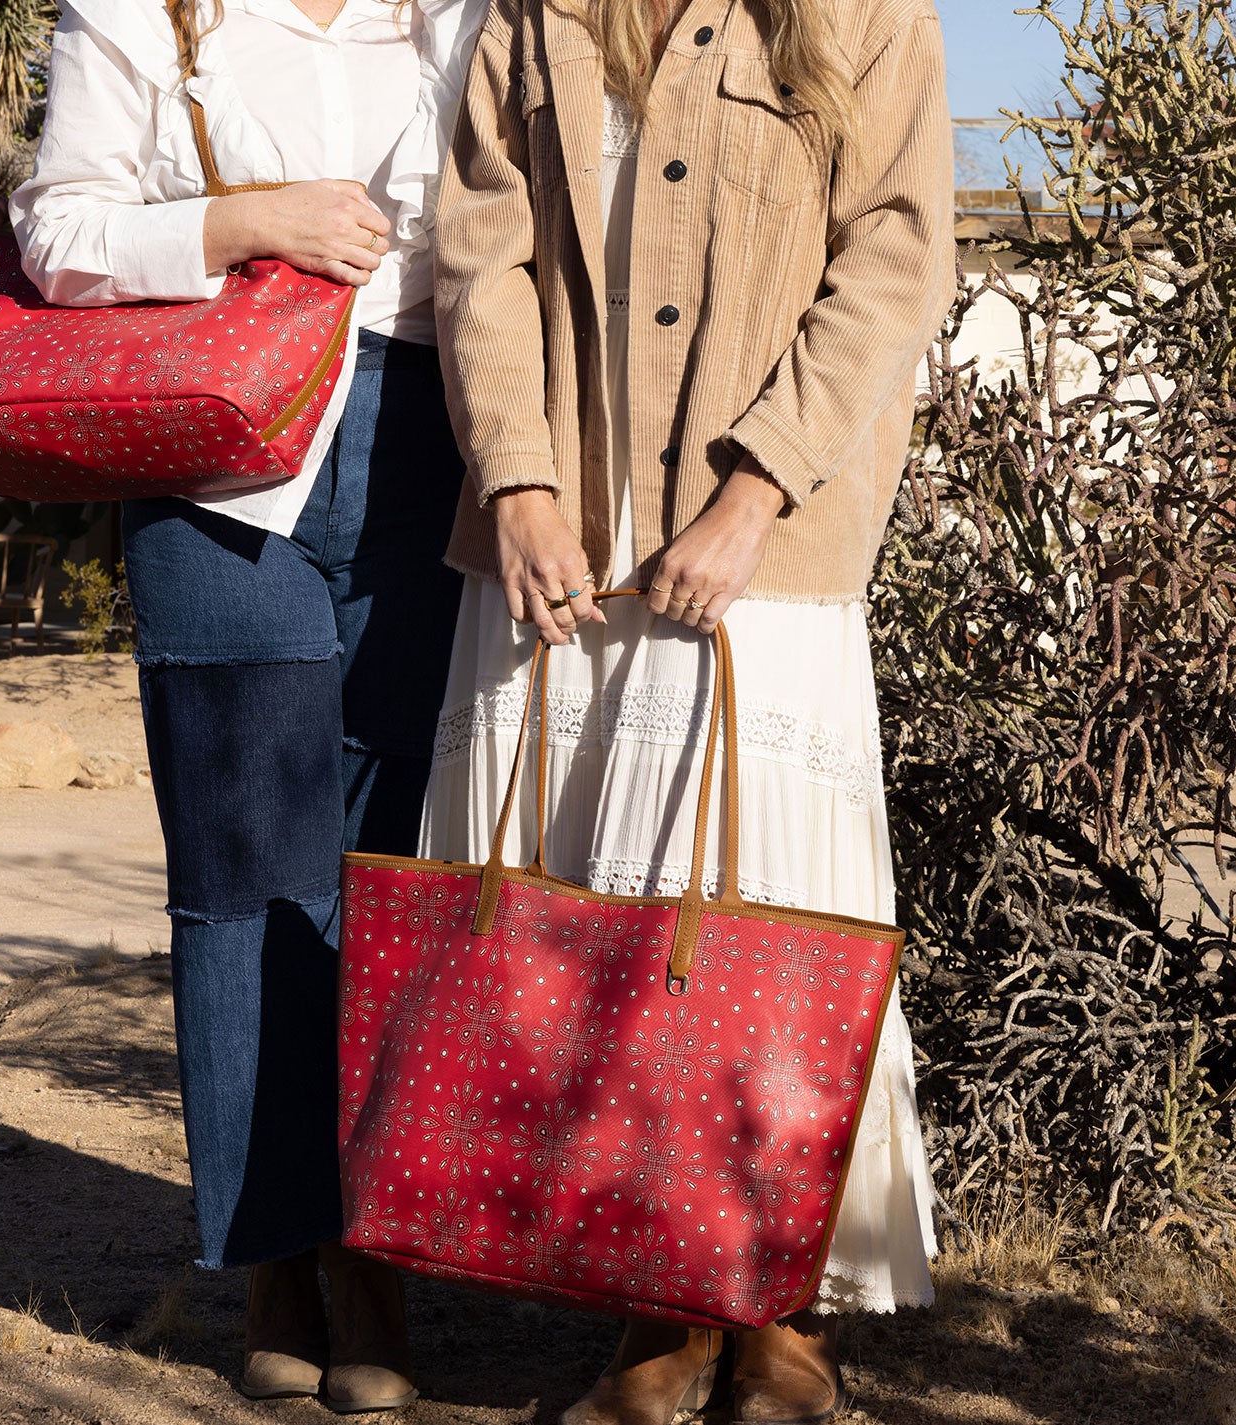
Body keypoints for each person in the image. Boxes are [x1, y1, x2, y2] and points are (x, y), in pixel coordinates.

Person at [421, 0, 955, 1420]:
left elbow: (896, 257)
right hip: (566, 546)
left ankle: (774, 1301)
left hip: (760, 546)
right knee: (602, 939)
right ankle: (656, 1303)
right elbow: (480, 251)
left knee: (760, 925)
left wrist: (754, 491)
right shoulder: (529, 14)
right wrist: (518, 480)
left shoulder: (865, 13)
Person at [10, 0, 482, 1408]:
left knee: (390, 866)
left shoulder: (467, 12)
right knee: (246, 871)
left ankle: (373, 1259)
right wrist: (247, 221)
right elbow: (58, 229)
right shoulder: (141, 9)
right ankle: (277, 1255)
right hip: (218, 451)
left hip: (432, 444)